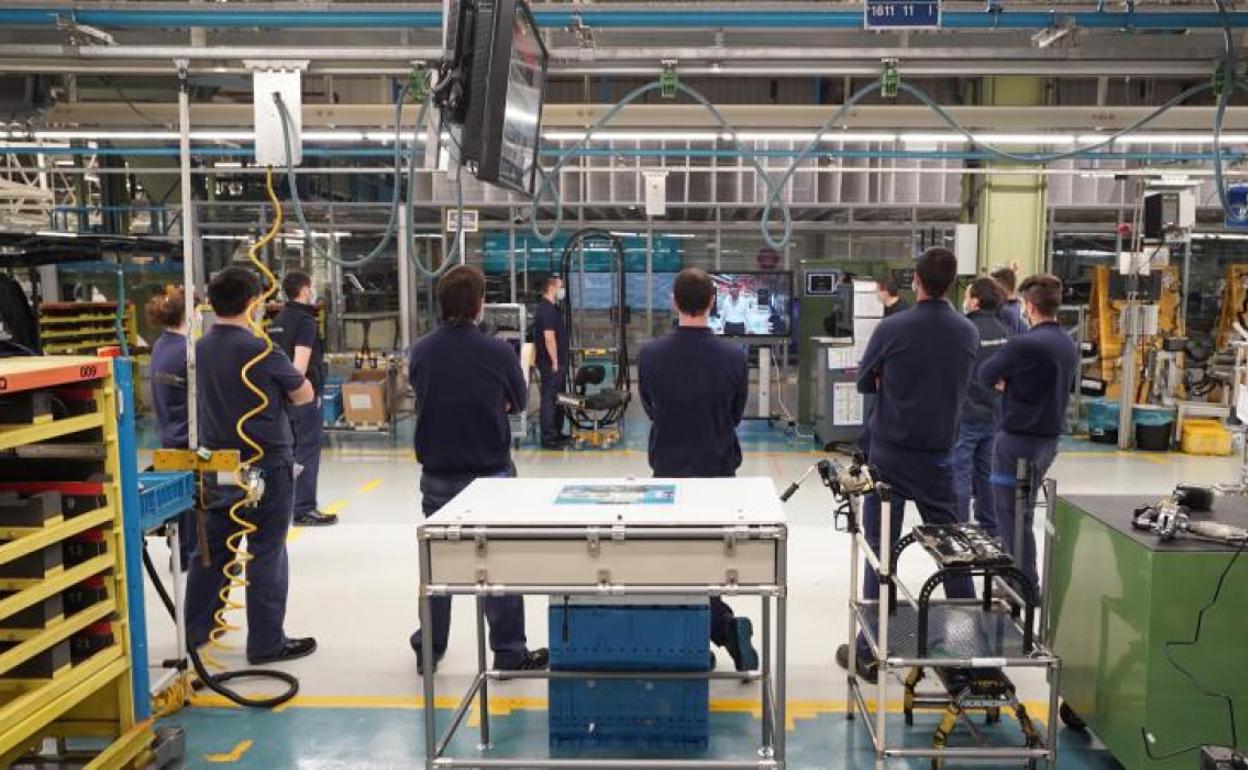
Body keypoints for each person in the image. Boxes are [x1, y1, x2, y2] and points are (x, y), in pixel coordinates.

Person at [836, 247, 978, 683]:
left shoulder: (892, 327)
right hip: (939, 457)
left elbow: (863, 382)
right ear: (952, 283)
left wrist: (889, 379)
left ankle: (870, 651)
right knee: (953, 552)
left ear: (914, 281)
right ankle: (966, 650)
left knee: (880, 552)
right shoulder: (966, 332)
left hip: (890, 457)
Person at [408, 265, 548, 674]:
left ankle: (429, 650)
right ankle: (508, 653)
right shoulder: (498, 352)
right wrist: (492, 402)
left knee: (438, 567)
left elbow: (425, 393)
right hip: (491, 474)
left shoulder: (421, 350)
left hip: (437, 472)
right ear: (479, 304)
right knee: (499, 564)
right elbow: (519, 402)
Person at [187, 267, 318, 665]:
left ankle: (195, 631)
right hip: (266, 463)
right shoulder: (260, 349)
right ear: (252, 302)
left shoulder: (202, 346)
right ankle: (265, 643)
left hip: (218, 464)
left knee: (213, 548)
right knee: (266, 550)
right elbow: (303, 394)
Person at [638, 267, 760, 672]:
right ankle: (721, 625)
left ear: (674, 302)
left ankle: (700, 637)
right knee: (709, 557)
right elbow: (735, 413)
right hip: (718, 473)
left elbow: (651, 408)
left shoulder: (651, 355)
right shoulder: (734, 357)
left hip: (669, 472)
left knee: (672, 559)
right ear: (713, 303)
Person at [979, 274, 1079, 588]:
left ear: (1030, 306)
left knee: (1009, 516)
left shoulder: (1025, 343)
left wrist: (1006, 382)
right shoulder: (1067, 342)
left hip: (1016, 443)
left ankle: (1021, 584)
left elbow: (986, 374)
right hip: (1047, 442)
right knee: (1022, 515)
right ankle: (1025, 580)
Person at [269, 270, 337, 527]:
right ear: (305, 290)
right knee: (308, 449)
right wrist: (304, 392)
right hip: (301, 395)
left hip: (280, 396)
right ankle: (304, 508)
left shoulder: (277, 320)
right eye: (311, 288)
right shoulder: (306, 321)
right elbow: (299, 365)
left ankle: (288, 505)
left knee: (289, 450)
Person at [952, 277, 1011, 534]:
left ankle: (960, 527)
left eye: (967, 295)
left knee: (960, 473)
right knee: (988, 474)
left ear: (975, 301)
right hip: (994, 414)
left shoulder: (964, 331)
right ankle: (990, 527)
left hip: (966, 414)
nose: (965, 300)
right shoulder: (1004, 331)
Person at [147, 288, 196, 566]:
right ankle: (190, 555)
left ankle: (181, 552)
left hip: (169, 430)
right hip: (186, 434)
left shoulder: (161, 345)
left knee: (182, 497)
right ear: (188, 315)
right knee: (193, 498)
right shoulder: (186, 351)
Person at [532, 275, 569, 449]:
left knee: (557, 399)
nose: (562, 290)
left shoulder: (552, 308)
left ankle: (557, 432)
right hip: (551, 363)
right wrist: (554, 361)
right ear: (551, 287)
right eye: (560, 286)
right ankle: (548, 437)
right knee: (549, 399)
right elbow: (549, 338)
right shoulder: (546, 309)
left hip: (558, 362)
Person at [991, 266, 1030, 336]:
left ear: (1000, 287)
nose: (992, 291)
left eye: (994, 287)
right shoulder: (1022, 306)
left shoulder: (1004, 311)